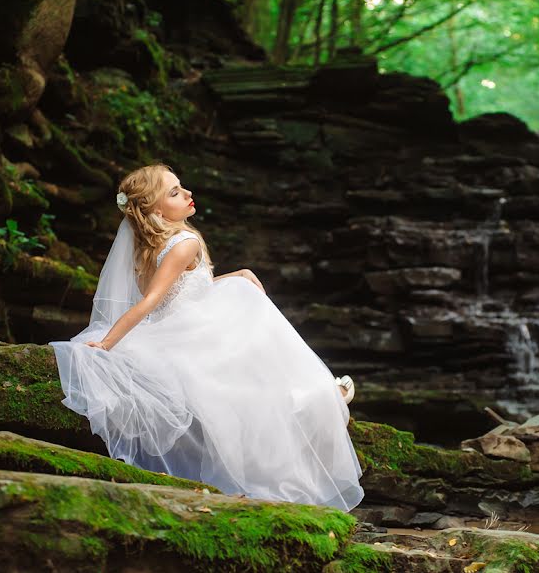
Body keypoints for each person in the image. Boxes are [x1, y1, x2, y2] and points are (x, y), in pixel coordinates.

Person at [49, 163, 364, 512]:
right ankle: (317, 396)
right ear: (155, 210)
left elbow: (182, 290)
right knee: (250, 324)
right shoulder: (184, 243)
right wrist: (107, 344)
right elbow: (154, 299)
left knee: (243, 297)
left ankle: (310, 396)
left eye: (181, 187)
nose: (186, 194)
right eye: (174, 192)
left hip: (177, 326)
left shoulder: (147, 249)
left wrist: (237, 275)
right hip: (189, 330)